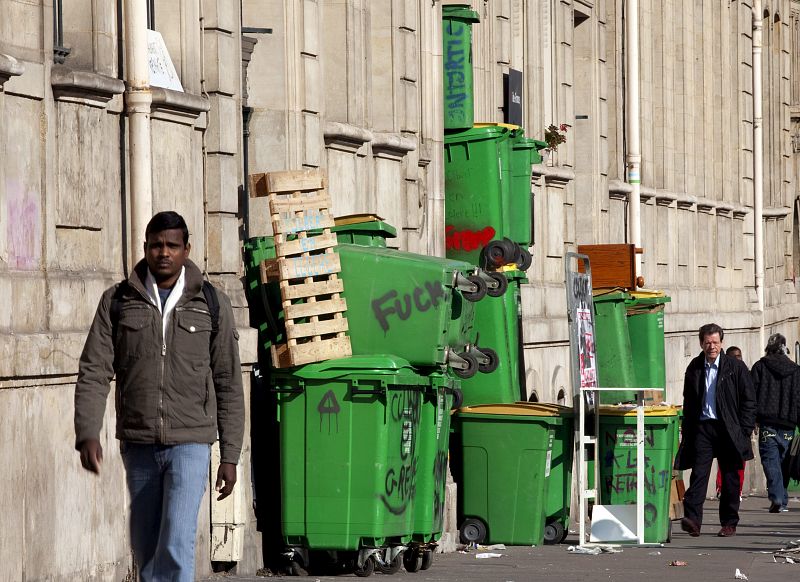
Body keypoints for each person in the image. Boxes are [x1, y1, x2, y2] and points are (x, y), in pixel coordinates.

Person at [74, 211, 244, 581]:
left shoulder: (211, 303)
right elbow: (94, 369)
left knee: (177, 542)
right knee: (147, 547)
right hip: (139, 443)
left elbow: (228, 379)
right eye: (156, 245)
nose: (163, 253)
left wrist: (229, 456)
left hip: (191, 441)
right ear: (145, 247)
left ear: (187, 249)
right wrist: (87, 431)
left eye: (171, 245)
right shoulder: (118, 302)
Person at [675, 323, 756, 537]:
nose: (712, 347)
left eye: (716, 342)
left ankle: (729, 522)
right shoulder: (695, 367)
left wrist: (745, 429)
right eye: (708, 342)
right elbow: (689, 400)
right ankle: (693, 520)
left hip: (729, 429)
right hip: (703, 428)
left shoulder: (735, 367)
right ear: (701, 343)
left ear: (722, 343)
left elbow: (749, 400)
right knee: (699, 474)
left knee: (730, 478)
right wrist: (688, 428)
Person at [750, 332, 800, 513]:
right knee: (785, 462)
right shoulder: (795, 370)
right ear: (785, 348)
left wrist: (751, 419)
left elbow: (751, 396)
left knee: (770, 461)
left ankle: (778, 497)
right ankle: (781, 499)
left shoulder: (759, 367)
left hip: (767, 423)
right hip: (788, 424)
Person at [715, 346, 748, 499]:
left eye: (739, 356)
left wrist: (748, 423)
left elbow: (749, 400)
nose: (737, 358)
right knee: (725, 461)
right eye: (734, 356)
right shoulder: (721, 374)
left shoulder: (743, 373)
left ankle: (737, 490)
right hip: (724, 425)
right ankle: (721, 488)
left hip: (739, 425)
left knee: (739, 462)